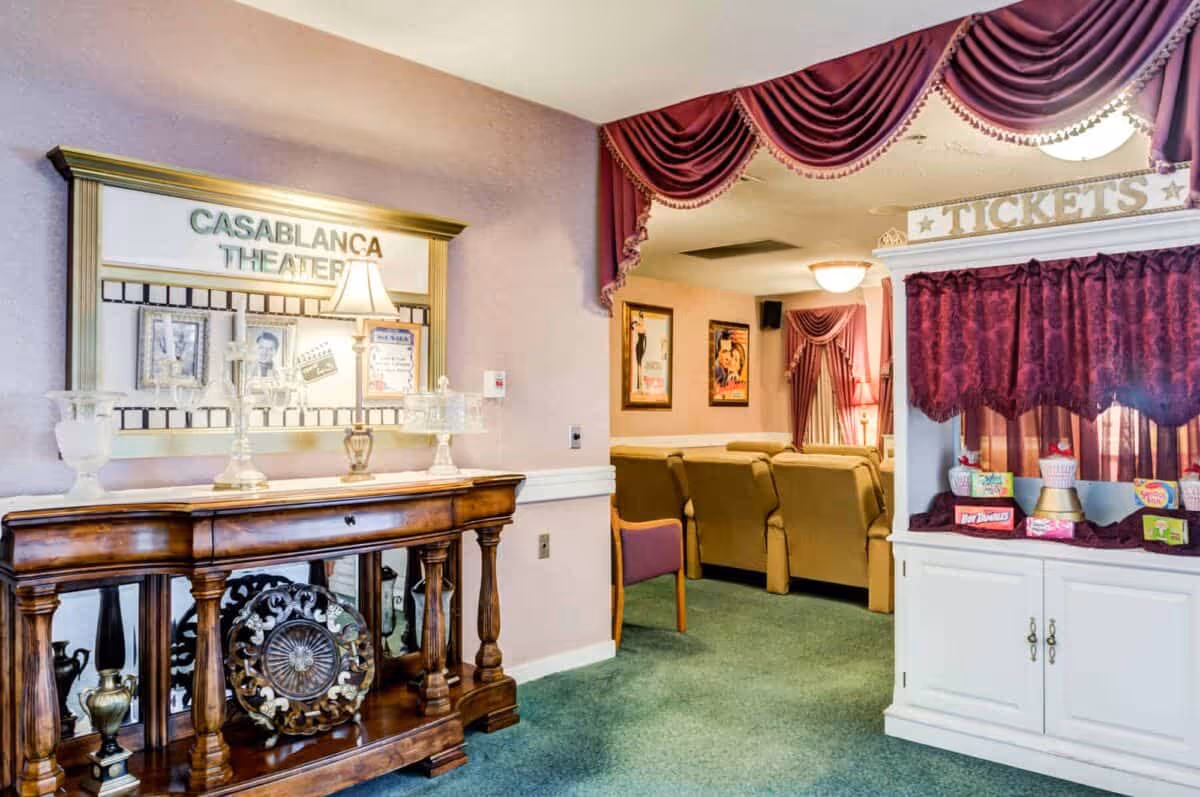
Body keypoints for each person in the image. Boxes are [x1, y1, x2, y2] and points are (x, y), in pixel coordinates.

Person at [632, 312, 647, 392]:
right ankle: (639, 386)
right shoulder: (638, 326)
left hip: (641, 346)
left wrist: (645, 349)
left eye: (641, 318)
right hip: (638, 346)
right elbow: (632, 327)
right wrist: (635, 323)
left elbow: (645, 340)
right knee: (638, 364)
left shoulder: (644, 327)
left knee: (640, 364)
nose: (640, 319)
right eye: (639, 318)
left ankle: (640, 385)